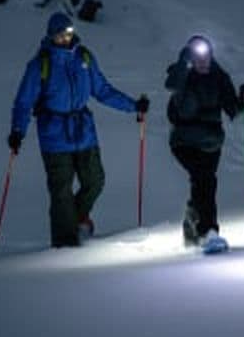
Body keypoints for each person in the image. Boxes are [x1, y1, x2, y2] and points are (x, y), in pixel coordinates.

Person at [8, 12, 150, 248]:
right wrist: (17, 131)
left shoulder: (84, 57)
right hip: (54, 135)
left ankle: (76, 221)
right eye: (60, 35)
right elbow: (24, 102)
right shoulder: (40, 65)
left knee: (95, 180)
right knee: (61, 191)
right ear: (51, 36)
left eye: (68, 33)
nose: (65, 38)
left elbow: (102, 90)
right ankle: (65, 244)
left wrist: (133, 106)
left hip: (84, 132)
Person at [165, 35, 244, 251]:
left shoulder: (219, 77)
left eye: (207, 57)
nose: (203, 62)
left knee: (203, 182)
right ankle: (208, 233)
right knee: (205, 180)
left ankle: (192, 220)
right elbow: (171, 84)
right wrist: (183, 60)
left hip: (211, 143)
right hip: (183, 141)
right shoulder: (182, 74)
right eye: (198, 58)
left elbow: (232, 108)